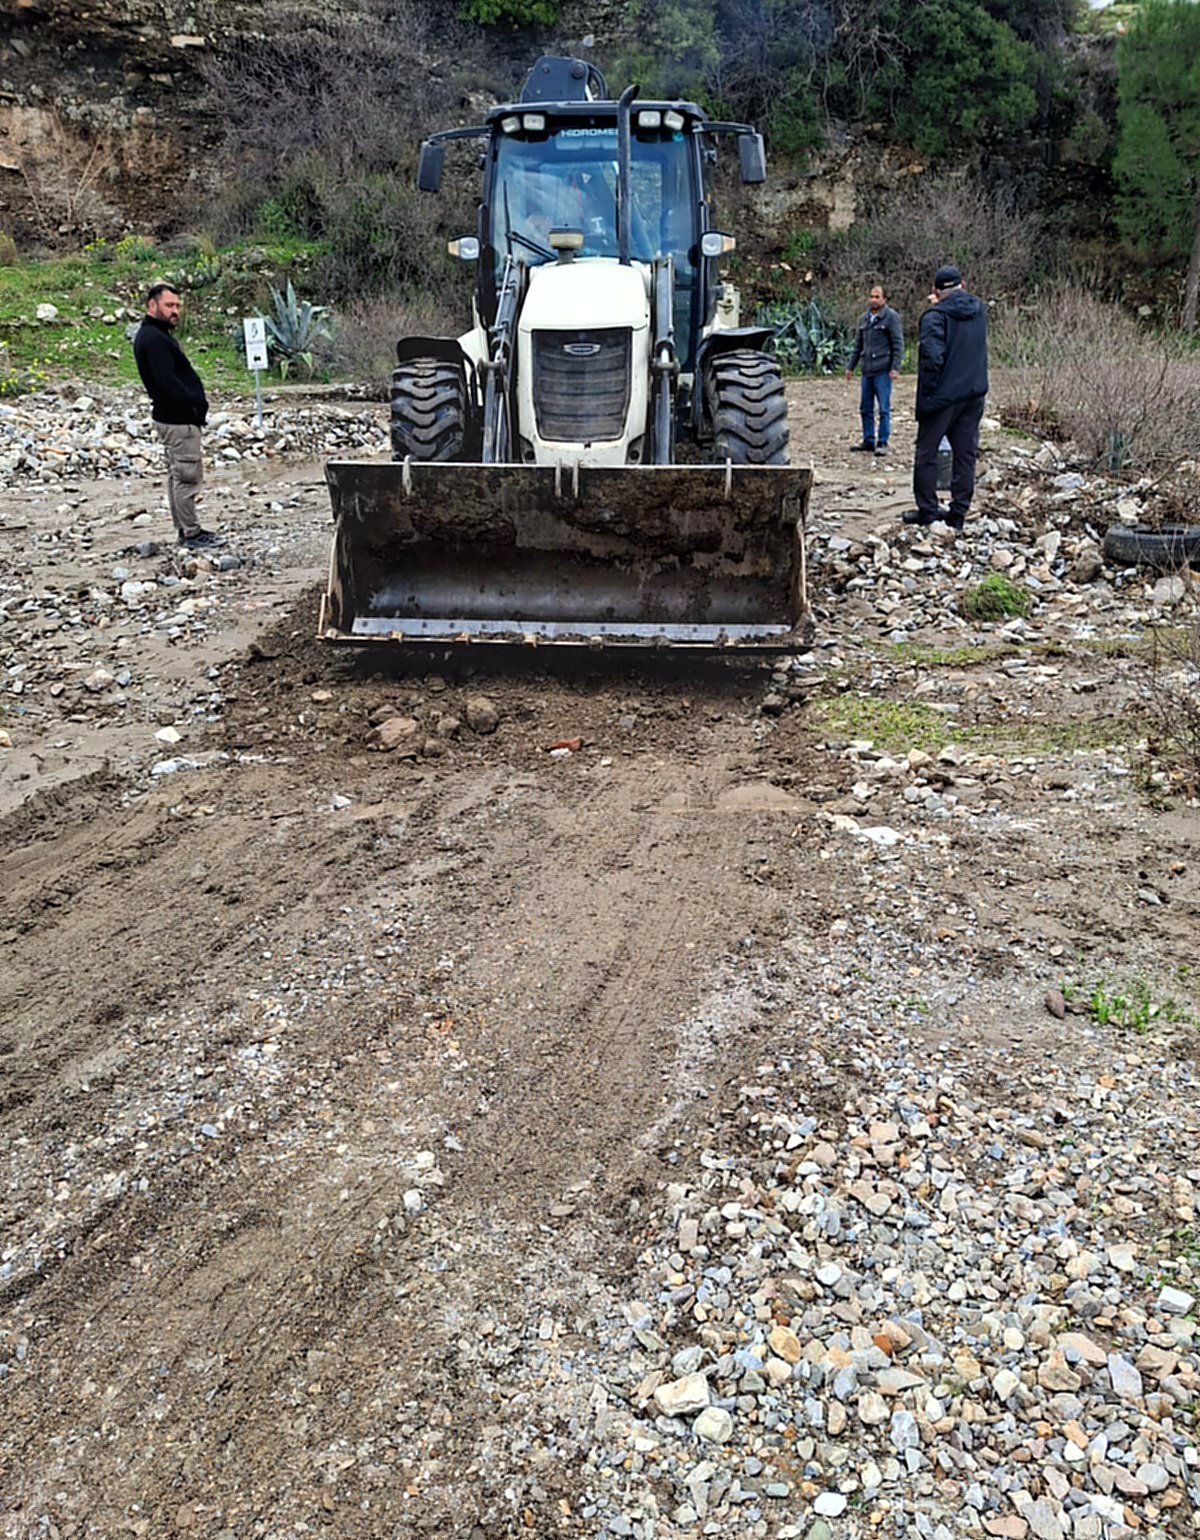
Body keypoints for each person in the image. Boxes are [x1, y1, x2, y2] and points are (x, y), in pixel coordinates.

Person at [132, 281, 221, 548]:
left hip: (172, 417)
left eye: (177, 306)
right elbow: (166, 382)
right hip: (178, 420)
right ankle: (191, 533)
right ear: (152, 305)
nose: (175, 311)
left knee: (177, 475)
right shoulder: (154, 339)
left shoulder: (153, 335)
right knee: (186, 476)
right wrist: (194, 404)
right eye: (169, 305)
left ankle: (185, 529)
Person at [903, 264, 988, 533]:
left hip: (942, 396)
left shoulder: (934, 317)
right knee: (965, 454)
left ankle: (928, 510)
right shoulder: (979, 310)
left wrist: (926, 398)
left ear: (935, 291)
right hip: (973, 392)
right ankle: (958, 513)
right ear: (962, 284)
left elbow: (932, 358)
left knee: (927, 452)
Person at [843, 283, 903, 456]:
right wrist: (850, 366)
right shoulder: (864, 319)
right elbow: (858, 345)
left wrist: (895, 367)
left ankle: (882, 442)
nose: (873, 300)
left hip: (883, 370)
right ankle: (868, 440)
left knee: (884, 408)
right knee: (865, 407)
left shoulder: (891, 318)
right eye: (871, 296)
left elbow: (898, 343)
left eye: (877, 296)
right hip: (867, 370)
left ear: (884, 299)